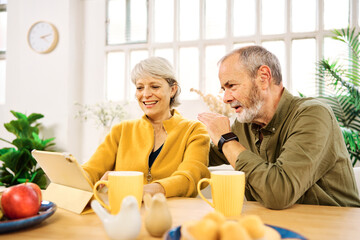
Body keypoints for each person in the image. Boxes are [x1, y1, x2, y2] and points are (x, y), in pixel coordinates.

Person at [198, 45, 360, 209]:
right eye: (223, 89)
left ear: (263, 76)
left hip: (333, 228)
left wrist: (227, 140)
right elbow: (200, 155)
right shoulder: (244, 125)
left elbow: (278, 193)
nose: (225, 98)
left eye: (231, 85)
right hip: (273, 226)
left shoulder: (313, 114)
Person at [83, 57, 210, 197]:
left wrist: (138, 189)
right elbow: (91, 170)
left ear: (173, 89)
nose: (146, 94)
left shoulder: (194, 131)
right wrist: (76, 177)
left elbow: (189, 177)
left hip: (172, 213)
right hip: (126, 212)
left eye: (155, 86)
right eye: (140, 87)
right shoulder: (121, 131)